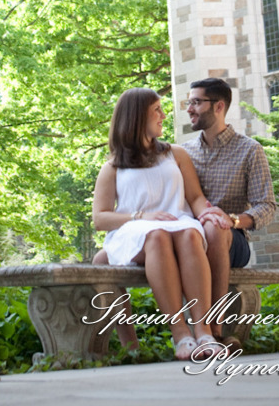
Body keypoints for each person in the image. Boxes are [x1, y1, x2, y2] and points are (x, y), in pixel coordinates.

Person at [91, 87, 218, 360]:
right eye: (156, 110)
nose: (163, 115)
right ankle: (181, 335)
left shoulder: (176, 154)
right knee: (157, 235)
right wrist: (140, 217)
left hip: (179, 222)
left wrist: (207, 213)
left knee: (189, 235)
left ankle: (204, 332)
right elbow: (100, 218)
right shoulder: (112, 167)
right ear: (138, 117)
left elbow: (194, 197)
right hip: (135, 231)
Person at [185, 77, 276, 348]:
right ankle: (200, 334)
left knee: (216, 227)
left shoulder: (250, 150)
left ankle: (215, 328)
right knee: (193, 235)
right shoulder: (184, 153)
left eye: (196, 102)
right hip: (193, 237)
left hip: (233, 241)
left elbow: (267, 206)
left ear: (219, 106)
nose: (189, 108)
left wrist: (234, 220)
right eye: (188, 102)